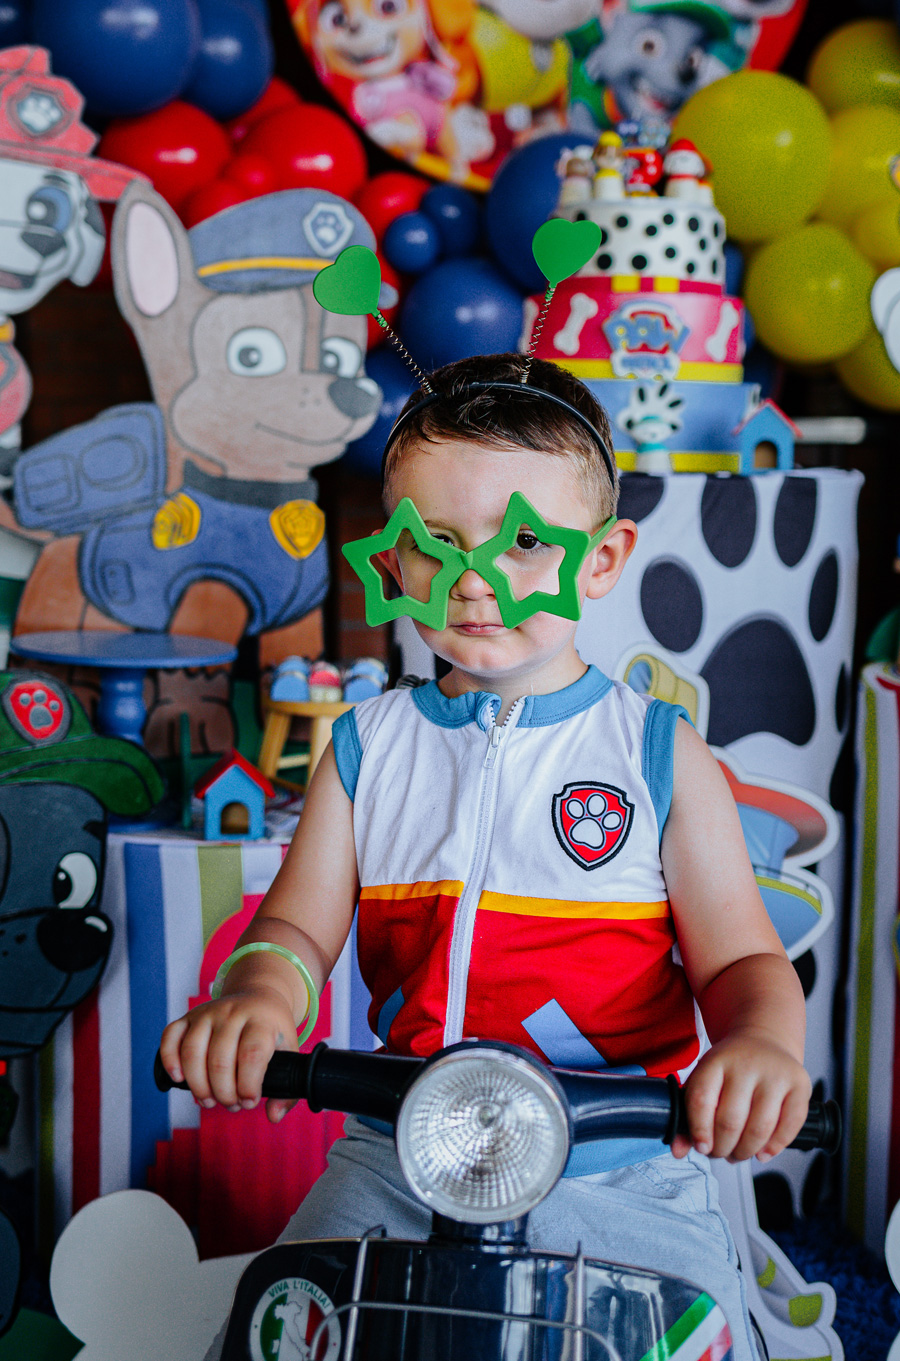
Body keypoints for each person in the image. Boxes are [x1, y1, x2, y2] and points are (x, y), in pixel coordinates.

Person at [159, 351, 810, 1361]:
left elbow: (743, 961)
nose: (474, 581)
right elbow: (294, 924)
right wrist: (259, 994)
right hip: (401, 1151)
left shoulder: (656, 753)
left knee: (694, 1335)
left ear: (602, 560)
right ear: (391, 566)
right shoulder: (370, 747)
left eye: (524, 544)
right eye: (436, 545)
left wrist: (762, 1041)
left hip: (619, 1161)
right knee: (282, 1326)